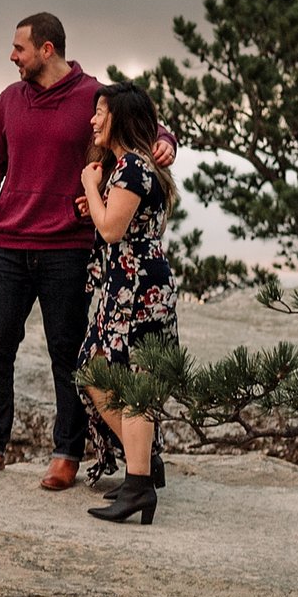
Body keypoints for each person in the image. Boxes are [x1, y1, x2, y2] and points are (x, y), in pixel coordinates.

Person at [0, 14, 172, 489]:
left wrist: (165, 141)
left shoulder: (92, 98)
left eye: (20, 48)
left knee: (67, 354)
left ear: (47, 49)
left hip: (67, 248)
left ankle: (66, 454)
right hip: (8, 245)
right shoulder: (8, 101)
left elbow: (145, 122)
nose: (12, 56)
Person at [75, 82, 179, 524]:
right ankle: (143, 466)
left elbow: (113, 230)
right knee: (98, 372)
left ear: (119, 117)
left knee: (132, 380)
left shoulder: (131, 167)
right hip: (127, 282)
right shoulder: (129, 167)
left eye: (100, 112)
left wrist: (88, 182)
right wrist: (97, 199)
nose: (93, 120)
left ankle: (139, 484)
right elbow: (118, 220)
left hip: (136, 286)